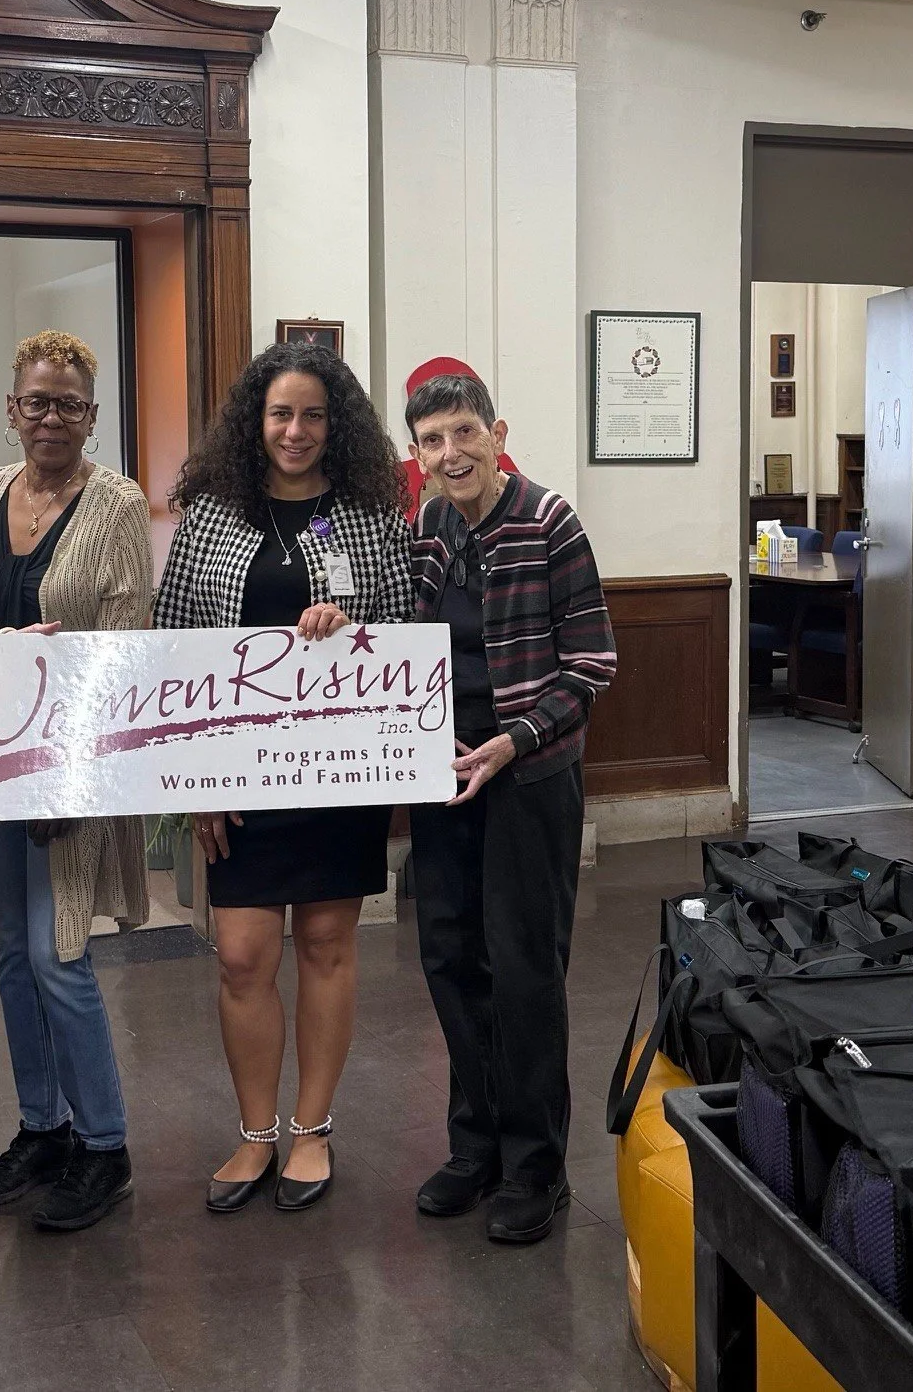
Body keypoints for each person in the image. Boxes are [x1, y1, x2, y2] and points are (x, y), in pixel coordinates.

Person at [153, 340, 411, 1213]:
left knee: (327, 946)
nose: (294, 431)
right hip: (238, 780)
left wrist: (355, 626)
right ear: (253, 422)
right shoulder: (210, 516)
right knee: (240, 956)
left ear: (334, 425)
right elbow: (173, 650)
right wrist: (194, 783)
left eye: (311, 415)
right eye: (279, 414)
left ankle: (311, 1130)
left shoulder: (372, 516)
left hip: (337, 771)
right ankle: (254, 1133)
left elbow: (404, 627)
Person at [0, 330, 153, 1232]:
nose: (51, 416)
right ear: (12, 409)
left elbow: (126, 650)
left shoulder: (117, 504)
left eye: (69, 402)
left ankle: (104, 1147)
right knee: (8, 955)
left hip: (68, 772)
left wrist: (70, 778)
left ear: (91, 417)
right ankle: (43, 1128)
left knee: (57, 954)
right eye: (37, 400)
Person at [405, 372, 616, 1245]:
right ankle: (475, 1147)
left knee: (522, 969)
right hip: (443, 773)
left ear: (496, 431)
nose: (450, 455)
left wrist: (516, 738)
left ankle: (536, 1168)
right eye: (430, 442)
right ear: (415, 456)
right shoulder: (425, 526)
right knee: (451, 959)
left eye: (463, 434)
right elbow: (402, 634)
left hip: (526, 777)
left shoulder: (548, 521)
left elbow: (592, 665)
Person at [399, 357, 517, 520]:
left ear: (497, 436)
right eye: (433, 440)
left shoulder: (546, 520)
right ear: (419, 456)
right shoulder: (427, 520)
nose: (451, 454)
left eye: (465, 431)